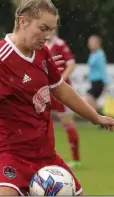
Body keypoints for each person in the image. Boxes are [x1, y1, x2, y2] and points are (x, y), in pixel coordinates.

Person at [0, 0, 114, 196]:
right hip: (8, 154)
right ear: (23, 21)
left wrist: (95, 117)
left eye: (50, 30)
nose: (47, 36)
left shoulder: (41, 52)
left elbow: (61, 90)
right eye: (42, 28)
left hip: (44, 155)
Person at [45, 30, 81, 168]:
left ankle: (76, 159)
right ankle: (44, 157)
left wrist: (61, 79)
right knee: (42, 123)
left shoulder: (60, 44)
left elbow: (71, 64)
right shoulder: (41, 45)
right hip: (46, 90)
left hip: (60, 90)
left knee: (67, 122)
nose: (50, 30)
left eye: (52, 27)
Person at [85, 35, 109, 112]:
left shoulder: (100, 54)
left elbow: (103, 69)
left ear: (97, 43)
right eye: (89, 43)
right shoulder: (92, 54)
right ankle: (101, 119)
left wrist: (106, 83)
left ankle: (99, 118)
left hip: (98, 81)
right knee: (93, 102)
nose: (89, 44)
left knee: (89, 99)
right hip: (93, 81)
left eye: (91, 42)